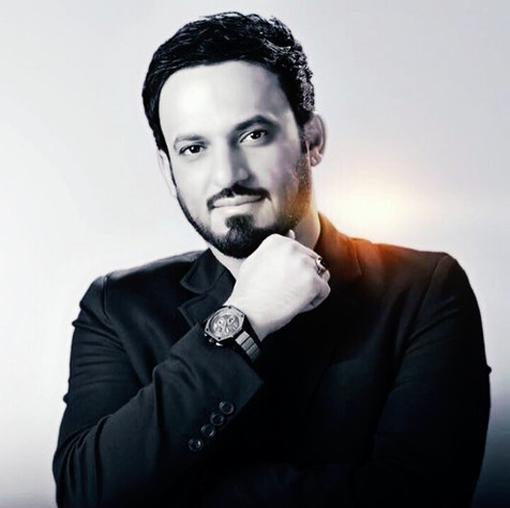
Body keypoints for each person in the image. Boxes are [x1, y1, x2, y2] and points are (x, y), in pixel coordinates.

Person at [53, 11, 491, 508]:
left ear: (312, 139)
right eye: (193, 147)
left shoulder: (425, 290)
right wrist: (244, 319)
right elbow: (85, 495)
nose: (227, 175)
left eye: (253, 135)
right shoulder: (116, 306)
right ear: (167, 168)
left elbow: (419, 498)